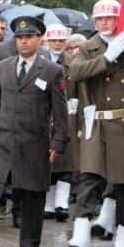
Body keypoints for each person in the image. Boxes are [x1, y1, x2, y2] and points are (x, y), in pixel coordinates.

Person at [62, 0, 124, 247]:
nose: (103, 23)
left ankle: (123, 243)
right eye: (99, 19)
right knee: (89, 180)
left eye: (108, 18)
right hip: (99, 121)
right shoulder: (89, 47)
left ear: (118, 19)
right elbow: (75, 73)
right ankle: (80, 238)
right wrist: (107, 57)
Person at [0, 16, 67, 247]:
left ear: (39, 39)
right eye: (20, 38)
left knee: (33, 193)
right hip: (3, 136)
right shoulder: (4, 66)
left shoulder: (52, 70)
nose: (23, 42)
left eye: (29, 37)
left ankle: (29, 243)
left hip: (35, 140)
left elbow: (60, 110)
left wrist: (58, 141)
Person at [42, 23, 78, 222]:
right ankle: (48, 203)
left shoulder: (73, 61)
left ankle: (62, 203)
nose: (57, 44)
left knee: (66, 160)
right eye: (53, 40)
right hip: (45, 115)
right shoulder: (40, 60)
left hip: (67, 114)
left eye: (61, 40)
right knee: (48, 161)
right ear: (46, 41)